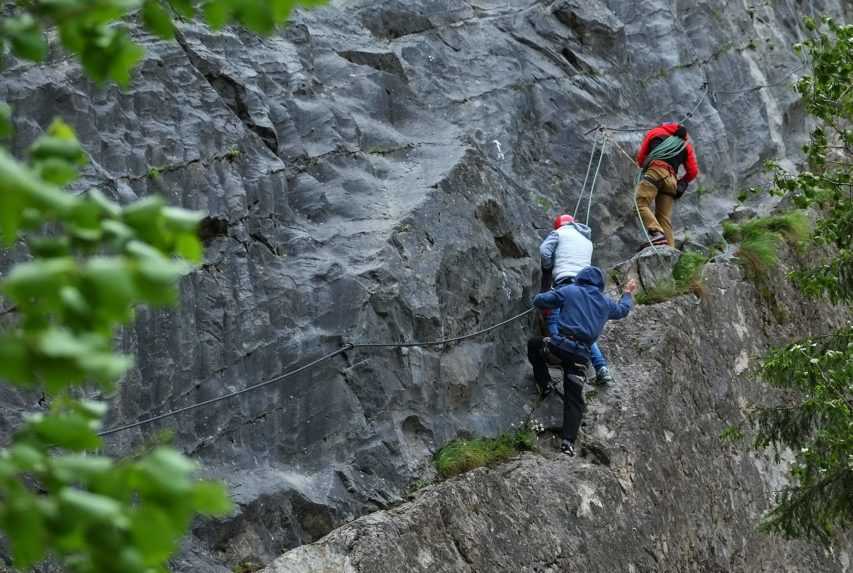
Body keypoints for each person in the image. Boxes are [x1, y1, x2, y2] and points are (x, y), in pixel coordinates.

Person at [527, 267, 638, 456]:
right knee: (574, 399)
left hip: (558, 348)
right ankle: (568, 443)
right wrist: (627, 293)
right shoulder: (605, 302)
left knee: (534, 345)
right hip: (580, 357)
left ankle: (545, 385)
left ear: (580, 278)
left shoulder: (570, 290)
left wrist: (552, 295)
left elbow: (540, 301)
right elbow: (623, 310)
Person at [538, 213, 613, 385]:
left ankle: (562, 356)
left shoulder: (559, 233)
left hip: (565, 284)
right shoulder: (587, 241)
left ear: (559, 225)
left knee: (554, 320)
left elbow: (544, 251)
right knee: (582, 332)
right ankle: (601, 367)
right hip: (585, 288)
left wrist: (548, 267)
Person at [634, 123, 699, 247]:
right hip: (671, 180)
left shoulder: (656, 132)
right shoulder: (685, 144)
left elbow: (641, 159)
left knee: (640, 204)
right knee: (664, 218)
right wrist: (682, 181)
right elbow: (693, 171)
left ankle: (657, 233)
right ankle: (670, 251)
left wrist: (644, 166)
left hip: (655, 171)